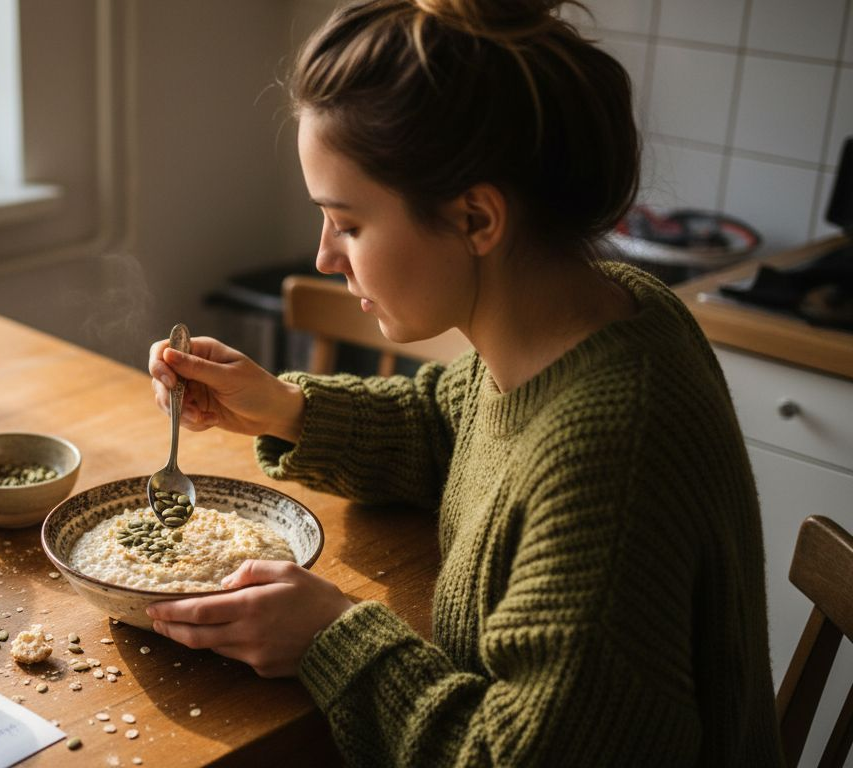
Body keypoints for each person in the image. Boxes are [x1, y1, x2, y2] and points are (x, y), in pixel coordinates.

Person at [145, 1, 783, 765]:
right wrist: (283, 409)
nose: (325, 256)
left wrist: (331, 637)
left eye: (347, 224)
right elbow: (451, 430)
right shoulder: (589, 314)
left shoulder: (610, 452)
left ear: (478, 219)